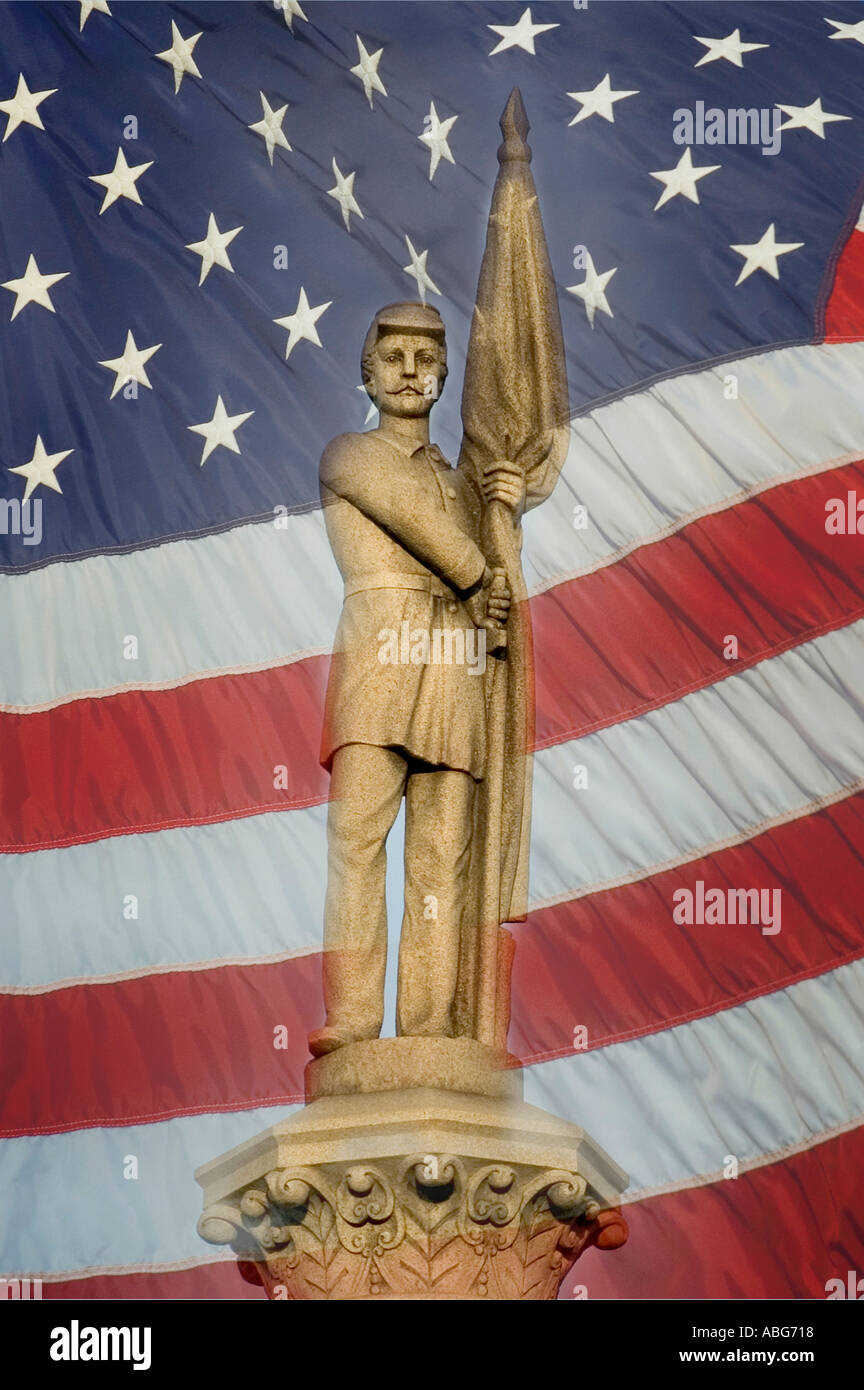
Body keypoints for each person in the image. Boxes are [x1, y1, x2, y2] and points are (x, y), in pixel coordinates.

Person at [308, 301, 524, 1057]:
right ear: (367, 372)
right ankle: (355, 1020)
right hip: (379, 659)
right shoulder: (350, 455)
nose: (408, 372)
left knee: (443, 854)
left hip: (455, 665)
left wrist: (502, 514)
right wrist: (479, 571)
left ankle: (431, 1029)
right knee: (358, 839)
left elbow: (495, 595)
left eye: (425, 360)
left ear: (442, 377)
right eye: (393, 356)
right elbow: (418, 527)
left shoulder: (461, 485)